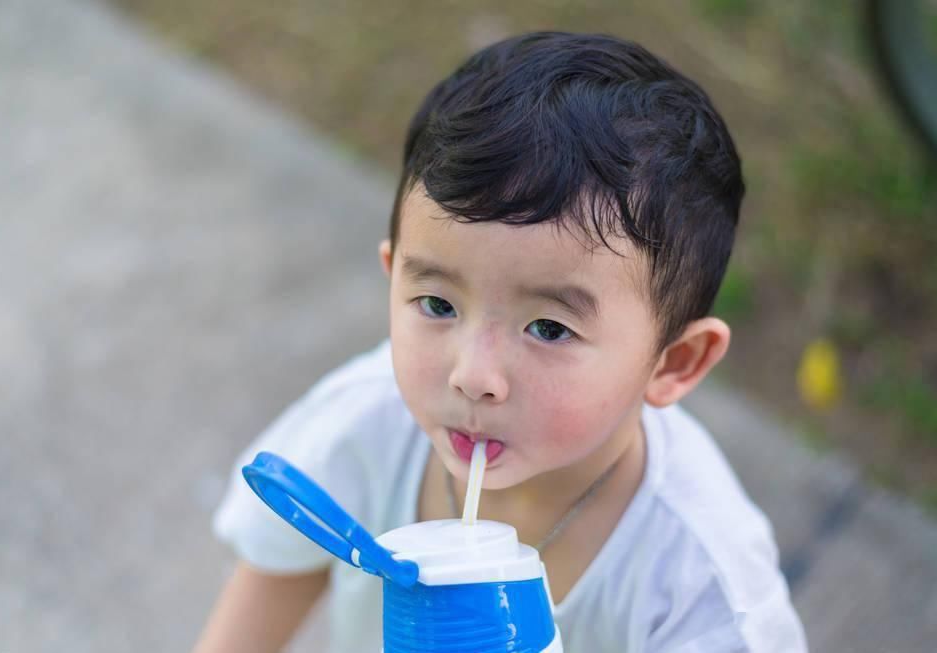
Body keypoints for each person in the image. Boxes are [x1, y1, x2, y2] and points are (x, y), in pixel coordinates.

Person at [193, 31, 807, 653]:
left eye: (549, 328)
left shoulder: (699, 591)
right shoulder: (362, 429)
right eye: (437, 304)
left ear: (674, 362)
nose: (472, 374)